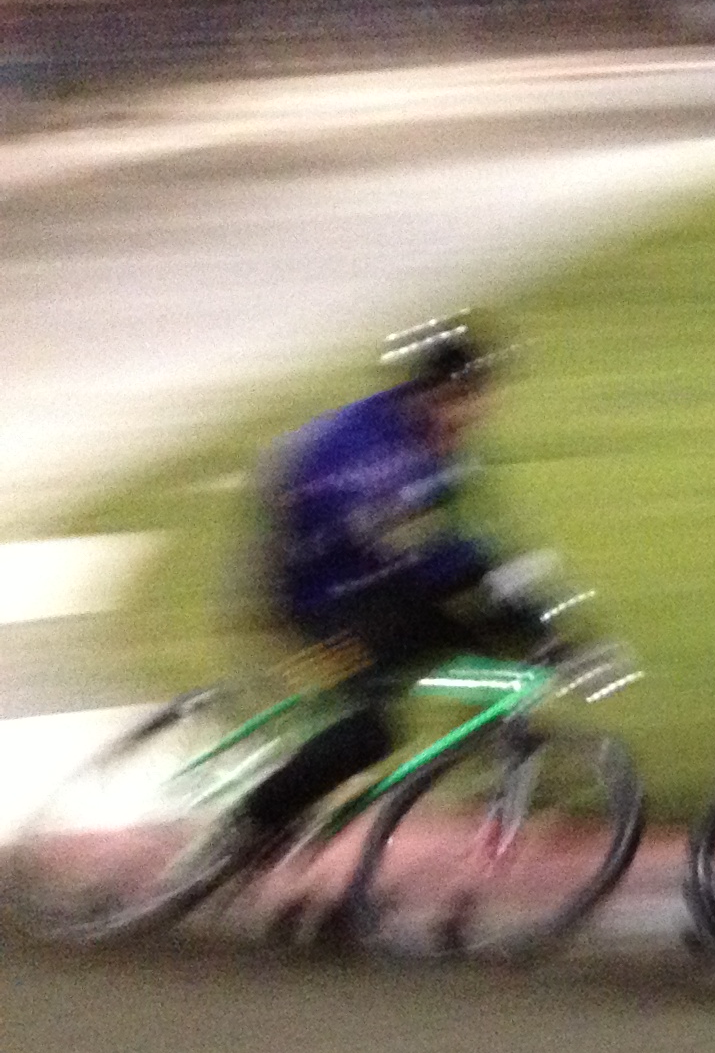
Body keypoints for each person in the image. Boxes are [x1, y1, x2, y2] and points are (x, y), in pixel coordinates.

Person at [222, 317, 554, 865]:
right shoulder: (372, 451)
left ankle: (494, 767)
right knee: (369, 732)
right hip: (311, 605)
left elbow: (476, 542)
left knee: (496, 647)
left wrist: (540, 617)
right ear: (437, 393)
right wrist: (508, 600)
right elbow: (432, 552)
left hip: (375, 593)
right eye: (469, 399)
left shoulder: (434, 442)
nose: (477, 413)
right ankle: (250, 823)